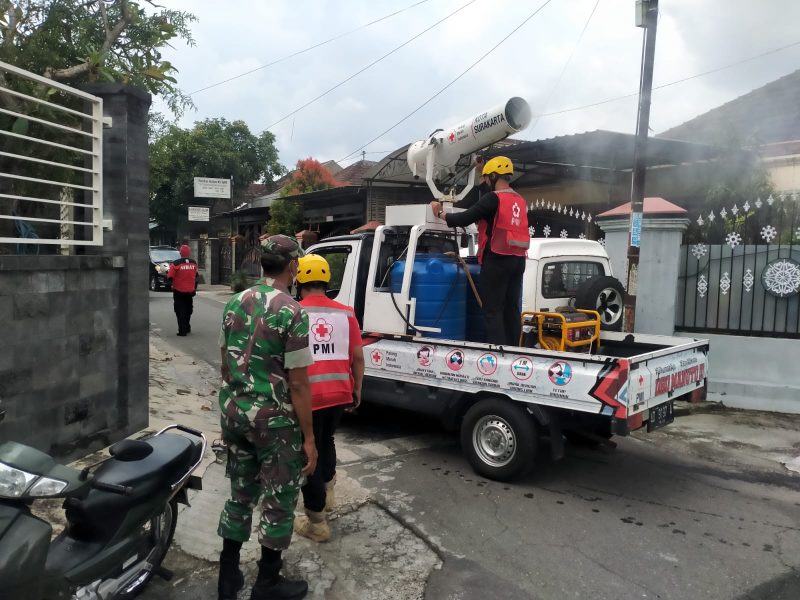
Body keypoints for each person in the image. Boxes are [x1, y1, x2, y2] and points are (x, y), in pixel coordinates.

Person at [216, 234, 318, 600]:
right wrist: (309, 438)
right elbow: (300, 385)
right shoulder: (292, 311)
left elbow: (226, 367)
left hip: (234, 415)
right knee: (278, 498)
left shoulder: (234, 304)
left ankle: (227, 579)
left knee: (240, 493)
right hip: (274, 424)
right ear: (293, 267)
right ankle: (267, 583)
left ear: (263, 264)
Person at [293, 254, 365, 543]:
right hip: (339, 393)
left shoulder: (294, 312)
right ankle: (328, 493)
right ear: (326, 282)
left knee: (307, 453)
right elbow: (358, 357)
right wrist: (357, 388)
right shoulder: (346, 313)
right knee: (327, 441)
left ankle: (317, 522)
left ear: (299, 281)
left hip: (307, 398)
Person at [430, 156, 529, 346]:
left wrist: (440, 212)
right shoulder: (519, 200)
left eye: (486, 178)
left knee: (493, 310)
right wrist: (481, 170)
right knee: (511, 310)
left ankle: (500, 355)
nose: (485, 182)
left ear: (493, 176)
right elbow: (490, 202)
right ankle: (515, 352)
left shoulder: (493, 199)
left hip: (497, 260)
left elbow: (464, 218)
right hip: (518, 260)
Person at [166, 244, 198, 336]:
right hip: (190, 292)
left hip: (178, 291)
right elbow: (196, 276)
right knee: (188, 310)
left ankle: (182, 330)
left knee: (180, 310)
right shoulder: (194, 263)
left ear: (180, 253)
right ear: (189, 253)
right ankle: (187, 327)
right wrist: (194, 288)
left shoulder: (176, 263)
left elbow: (170, 276)